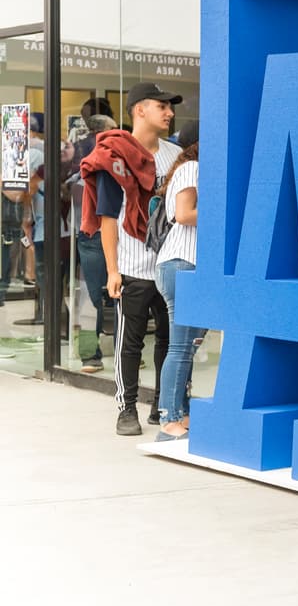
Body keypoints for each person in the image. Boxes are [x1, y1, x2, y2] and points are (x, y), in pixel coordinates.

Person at [80, 82, 182, 436]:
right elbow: (107, 217)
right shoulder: (116, 155)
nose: (169, 113)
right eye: (162, 106)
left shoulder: (176, 156)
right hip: (133, 266)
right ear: (140, 110)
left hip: (171, 264)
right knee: (130, 343)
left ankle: (163, 407)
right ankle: (126, 409)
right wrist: (112, 270)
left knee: (171, 342)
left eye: (170, 107)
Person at [154, 122, 203, 440]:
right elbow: (185, 215)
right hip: (182, 263)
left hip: (182, 265)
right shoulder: (193, 168)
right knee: (182, 346)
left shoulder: (185, 168)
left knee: (188, 346)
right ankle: (170, 418)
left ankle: (181, 414)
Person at [73, 114, 118, 373]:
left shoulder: (78, 148)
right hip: (102, 227)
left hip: (88, 228)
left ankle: (90, 355)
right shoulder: (110, 150)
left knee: (91, 295)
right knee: (120, 291)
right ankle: (123, 352)